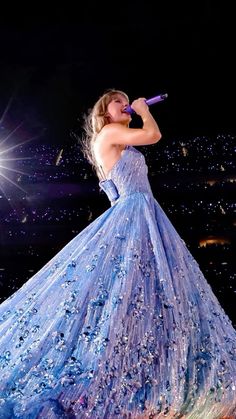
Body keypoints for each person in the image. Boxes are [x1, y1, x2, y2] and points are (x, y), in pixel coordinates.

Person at [0, 89, 235, 419]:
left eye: (126, 99)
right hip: (134, 213)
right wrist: (143, 110)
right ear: (106, 111)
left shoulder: (117, 138)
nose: (125, 102)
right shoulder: (109, 133)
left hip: (145, 213)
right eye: (118, 100)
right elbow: (152, 134)